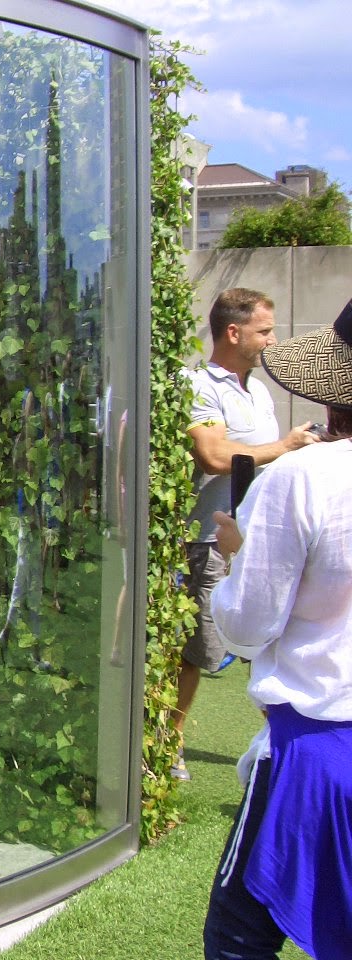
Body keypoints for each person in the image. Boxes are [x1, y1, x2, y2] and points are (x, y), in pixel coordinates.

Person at [203, 299, 352, 960]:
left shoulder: (304, 477)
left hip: (317, 750)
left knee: (238, 936)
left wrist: (237, 557)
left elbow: (247, 626)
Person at [175, 288, 317, 780]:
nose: (272, 340)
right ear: (233, 332)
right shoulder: (199, 385)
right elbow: (214, 456)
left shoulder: (257, 390)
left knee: (268, 643)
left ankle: (279, 747)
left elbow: (266, 460)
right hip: (208, 540)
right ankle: (170, 744)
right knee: (195, 652)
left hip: (260, 541)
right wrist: (286, 445)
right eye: (264, 331)